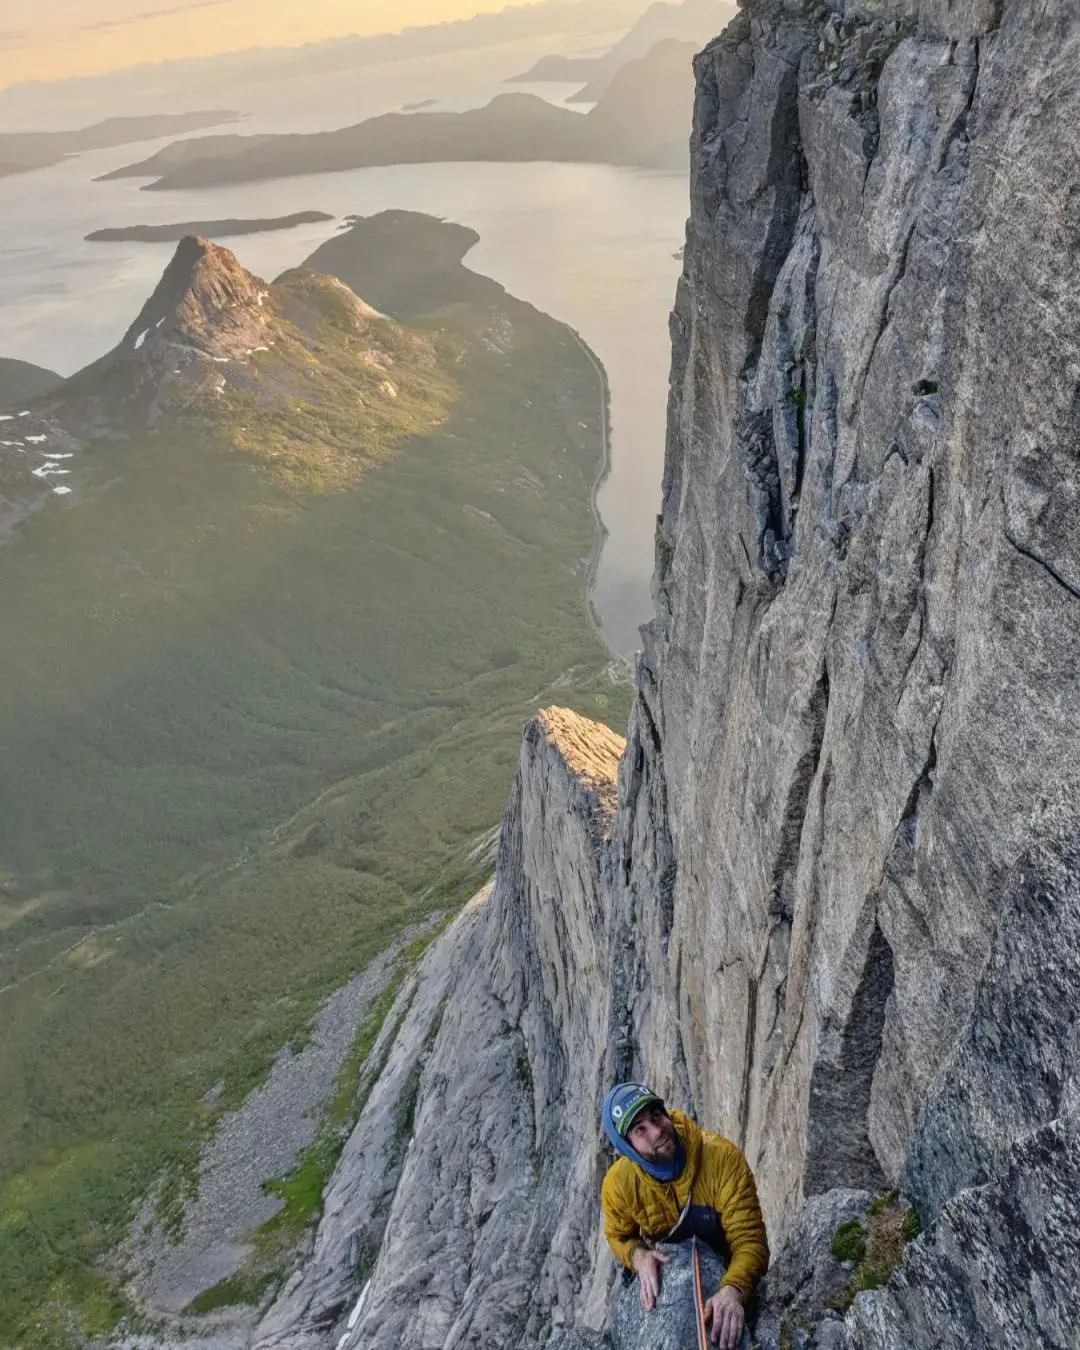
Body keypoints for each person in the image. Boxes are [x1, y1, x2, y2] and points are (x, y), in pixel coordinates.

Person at [600, 1082, 769, 1349]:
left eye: (656, 1115)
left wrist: (733, 1288)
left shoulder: (721, 1159)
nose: (657, 1131)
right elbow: (618, 1235)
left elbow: (750, 1240)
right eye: (639, 1129)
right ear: (626, 1148)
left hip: (727, 1269)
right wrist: (638, 1255)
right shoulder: (619, 1185)